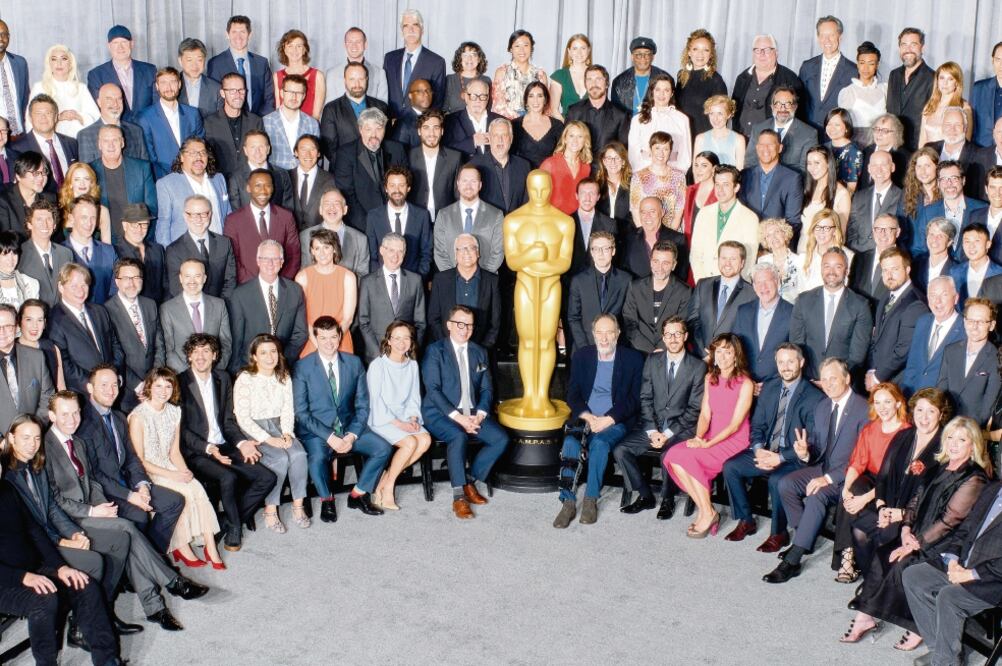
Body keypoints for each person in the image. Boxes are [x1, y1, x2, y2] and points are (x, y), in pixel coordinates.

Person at [45, 390, 207, 629]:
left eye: (76, 412)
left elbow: (93, 482)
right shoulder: (45, 447)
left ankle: (155, 608)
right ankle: (172, 581)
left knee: (126, 536)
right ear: (52, 415)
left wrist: (102, 505)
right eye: (65, 414)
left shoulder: (77, 442)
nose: (72, 419)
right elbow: (54, 499)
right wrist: (92, 512)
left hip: (92, 509)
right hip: (69, 520)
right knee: (127, 527)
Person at [855, 416, 990, 653]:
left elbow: (950, 520)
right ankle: (866, 615)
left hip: (946, 542)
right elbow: (915, 501)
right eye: (950, 437)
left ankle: (917, 625)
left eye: (962, 439)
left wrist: (914, 544)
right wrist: (906, 529)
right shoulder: (939, 466)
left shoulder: (974, 477)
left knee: (904, 564)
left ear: (973, 445)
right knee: (883, 554)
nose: (954, 443)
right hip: (918, 533)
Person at [0, 418, 126, 664]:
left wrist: (61, 567)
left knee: (84, 583)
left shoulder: (6, 490)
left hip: (31, 568)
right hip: (6, 581)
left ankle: (107, 659)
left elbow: (35, 531)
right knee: (44, 600)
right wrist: (24, 577)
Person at [840, 388, 951, 643]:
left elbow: (935, 497)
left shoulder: (944, 446)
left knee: (885, 543)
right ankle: (873, 598)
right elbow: (884, 476)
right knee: (859, 527)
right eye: (920, 410)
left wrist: (900, 514)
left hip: (918, 519)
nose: (924, 417)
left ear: (941, 414)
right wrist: (881, 508)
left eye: (931, 411)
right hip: (889, 509)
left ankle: (873, 610)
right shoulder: (904, 436)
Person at [762, 357, 869, 583]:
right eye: (824, 380)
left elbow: (862, 458)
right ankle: (805, 535)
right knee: (786, 484)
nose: (828, 384)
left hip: (849, 476)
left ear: (847, 378)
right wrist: (804, 452)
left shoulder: (863, 409)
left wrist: (828, 479)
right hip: (823, 466)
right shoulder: (822, 406)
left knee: (816, 496)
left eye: (833, 379)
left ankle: (793, 559)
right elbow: (818, 448)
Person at [721, 343, 823, 550]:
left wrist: (781, 458)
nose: (785, 367)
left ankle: (779, 533)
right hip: (766, 450)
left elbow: (812, 440)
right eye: (781, 362)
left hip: (792, 457)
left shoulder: (815, 397)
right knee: (730, 466)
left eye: (791, 361)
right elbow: (757, 425)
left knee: (777, 480)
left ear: (801, 363)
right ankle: (746, 520)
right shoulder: (770, 387)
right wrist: (758, 449)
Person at [178, 333, 274, 551]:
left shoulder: (223, 378)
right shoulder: (179, 382)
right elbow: (182, 431)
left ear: (215, 355)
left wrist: (242, 443)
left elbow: (229, 421)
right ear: (189, 356)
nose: (200, 356)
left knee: (266, 478)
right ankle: (234, 529)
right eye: (195, 351)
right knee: (228, 477)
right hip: (198, 452)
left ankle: (229, 521)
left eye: (206, 351)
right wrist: (209, 448)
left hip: (225, 445)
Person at [77, 365, 184, 556]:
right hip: (104, 490)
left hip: (128, 481)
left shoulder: (118, 417)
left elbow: (132, 458)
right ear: (90, 388)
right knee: (139, 515)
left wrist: (142, 485)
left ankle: (152, 556)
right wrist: (130, 496)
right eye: (104, 385)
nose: (111, 391)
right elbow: (94, 475)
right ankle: (143, 564)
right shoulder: (83, 424)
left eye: (114, 385)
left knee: (174, 502)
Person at [902, 470, 1002, 665]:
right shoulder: (993, 489)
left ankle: (944, 661)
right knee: (914, 576)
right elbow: (965, 529)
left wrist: (970, 574)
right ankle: (942, 651)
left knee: (949, 597)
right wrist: (953, 559)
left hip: (993, 579)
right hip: (963, 563)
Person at [552, 314, 643, 528]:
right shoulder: (583, 356)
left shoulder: (633, 359)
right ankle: (568, 502)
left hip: (615, 419)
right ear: (593, 335)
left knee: (600, 444)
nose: (604, 338)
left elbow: (635, 399)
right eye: (599, 333)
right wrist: (586, 415)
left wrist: (609, 419)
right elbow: (572, 393)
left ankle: (591, 499)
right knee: (570, 443)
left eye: (609, 332)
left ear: (618, 334)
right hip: (586, 417)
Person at [128, 367, 223, 568]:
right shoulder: (138, 416)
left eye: (168, 386)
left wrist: (184, 471)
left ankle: (210, 546)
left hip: (169, 464)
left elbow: (174, 452)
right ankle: (181, 545)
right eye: (158, 385)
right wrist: (173, 475)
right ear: (149, 387)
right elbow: (140, 460)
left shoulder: (174, 412)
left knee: (196, 486)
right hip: (149, 472)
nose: (163, 391)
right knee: (183, 493)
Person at [421, 306, 509, 519]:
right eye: (460, 324)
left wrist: (480, 413)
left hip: (471, 412)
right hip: (440, 413)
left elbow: (487, 388)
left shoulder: (479, 351)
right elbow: (432, 390)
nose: (465, 329)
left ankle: (469, 478)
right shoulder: (435, 351)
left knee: (500, 439)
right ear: (449, 325)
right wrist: (458, 417)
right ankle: (459, 496)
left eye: (469, 325)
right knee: (458, 435)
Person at [663, 332, 753, 537]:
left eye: (727, 352)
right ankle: (707, 510)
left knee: (691, 459)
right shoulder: (710, 378)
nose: (721, 357)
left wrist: (708, 443)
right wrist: (698, 437)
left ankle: (706, 513)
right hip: (710, 435)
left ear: (736, 355)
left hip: (733, 440)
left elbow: (734, 425)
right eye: (718, 351)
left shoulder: (745, 383)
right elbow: (705, 413)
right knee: (673, 456)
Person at [614, 316, 705, 518]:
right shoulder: (653, 360)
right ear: (663, 338)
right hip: (652, 426)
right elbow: (645, 397)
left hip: (680, 429)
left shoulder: (698, 367)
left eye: (678, 333)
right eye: (668, 334)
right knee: (621, 449)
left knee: (668, 456)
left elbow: (694, 409)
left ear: (686, 336)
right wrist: (653, 430)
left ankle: (668, 498)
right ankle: (645, 496)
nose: (673, 339)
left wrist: (666, 433)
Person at [830, 383, 909, 583]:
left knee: (856, 497)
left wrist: (863, 499)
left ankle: (847, 560)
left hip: (894, 486)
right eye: (878, 402)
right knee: (851, 489)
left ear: (898, 403)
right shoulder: (871, 428)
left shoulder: (907, 432)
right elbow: (856, 463)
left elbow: (894, 477)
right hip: (872, 478)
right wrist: (846, 490)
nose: (882, 407)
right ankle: (849, 555)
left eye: (888, 402)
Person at [233, 334, 309, 533]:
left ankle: (298, 506)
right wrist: (268, 439)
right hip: (254, 430)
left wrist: (286, 433)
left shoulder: (283, 376)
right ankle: (270, 509)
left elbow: (287, 409)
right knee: (279, 459)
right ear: (255, 356)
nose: (270, 357)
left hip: (279, 425)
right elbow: (242, 418)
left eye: (273, 351)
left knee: (299, 455)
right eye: (263, 353)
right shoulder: (245, 378)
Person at [366, 320, 431, 509]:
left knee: (425, 440)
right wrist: (400, 424)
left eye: (406, 338)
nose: (401, 343)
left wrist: (412, 418)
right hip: (382, 418)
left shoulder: (412, 365)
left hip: (404, 416)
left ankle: (384, 480)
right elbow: (376, 402)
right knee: (410, 443)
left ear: (411, 341)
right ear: (388, 341)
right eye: (397, 338)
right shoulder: (378, 365)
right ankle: (389, 489)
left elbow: (413, 397)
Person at [789, 247, 873, 379]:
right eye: (827, 266)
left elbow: (857, 356)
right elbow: (796, 344)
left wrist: (833, 379)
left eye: (838, 267)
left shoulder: (861, 305)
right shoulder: (803, 301)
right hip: (809, 380)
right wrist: (810, 379)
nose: (831, 272)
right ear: (821, 269)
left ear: (847, 270)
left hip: (842, 381)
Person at [227, 240, 307, 373]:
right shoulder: (240, 295)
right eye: (265, 258)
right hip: (251, 367)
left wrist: (279, 359)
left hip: (284, 366)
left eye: (275, 258)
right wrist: (239, 370)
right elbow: (237, 338)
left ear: (282, 262)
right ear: (258, 261)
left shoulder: (295, 291)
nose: (270, 263)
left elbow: (300, 334)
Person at [48, 261, 123, 393]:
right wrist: (95, 385)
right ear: (61, 287)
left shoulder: (99, 311)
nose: (80, 291)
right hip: (82, 393)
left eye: (84, 285)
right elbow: (64, 364)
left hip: (110, 388)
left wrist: (113, 376)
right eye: (74, 286)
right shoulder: (55, 319)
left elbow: (115, 344)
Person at [333, 107, 409, 230]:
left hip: (395, 220)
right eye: (368, 129)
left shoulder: (397, 150)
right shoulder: (345, 154)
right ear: (360, 129)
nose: (374, 135)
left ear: (385, 129)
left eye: (379, 128)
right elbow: (346, 194)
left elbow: (405, 186)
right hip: (360, 224)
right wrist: (369, 225)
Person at [864, 248, 928, 391]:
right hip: (879, 380)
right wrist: (871, 371)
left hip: (899, 384)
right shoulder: (886, 297)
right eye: (885, 270)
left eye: (894, 269)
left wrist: (877, 376)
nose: (889, 275)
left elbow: (904, 350)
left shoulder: (916, 303)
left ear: (908, 269)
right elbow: (876, 339)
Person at [105, 258, 163, 412]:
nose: (132, 283)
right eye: (126, 278)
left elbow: (159, 345)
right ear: (117, 281)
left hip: (154, 388)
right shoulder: (106, 311)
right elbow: (112, 355)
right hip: (126, 392)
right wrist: (139, 386)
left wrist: (154, 380)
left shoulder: (150, 304)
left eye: (136, 278)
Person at [357, 233, 425, 363]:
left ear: (405, 254)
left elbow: (420, 323)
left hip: (406, 357)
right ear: (382, 250)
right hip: (376, 356)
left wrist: (409, 351)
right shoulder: (367, 282)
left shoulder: (415, 281)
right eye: (391, 250)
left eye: (400, 251)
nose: (395, 256)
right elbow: (364, 321)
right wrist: (379, 354)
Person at [224, 169, 301, 283]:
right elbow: (232, 260)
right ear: (248, 188)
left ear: (273, 188)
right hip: (247, 287)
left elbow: (294, 255)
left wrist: (279, 283)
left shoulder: (286, 217)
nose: (263, 191)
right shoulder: (233, 220)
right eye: (258, 186)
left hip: (280, 287)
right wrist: (253, 286)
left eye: (267, 185)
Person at [426, 234, 501, 349]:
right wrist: (448, 346)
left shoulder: (492, 281)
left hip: (481, 350)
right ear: (455, 255)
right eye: (461, 249)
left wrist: (481, 349)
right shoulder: (441, 280)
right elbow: (433, 318)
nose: (466, 252)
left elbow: (495, 322)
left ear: (478, 252)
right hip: (447, 350)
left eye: (471, 248)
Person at [154, 136, 232, 246]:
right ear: (181, 157)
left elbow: (228, 216)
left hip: (219, 249)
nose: (198, 157)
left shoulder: (218, 179)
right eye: (192, 153)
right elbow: (164, 223)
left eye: (202, 152)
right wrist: (168, 255)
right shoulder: (166, 184)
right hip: (186, 253)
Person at [160, 258, 232, 372]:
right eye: (187, 276)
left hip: (213, 374)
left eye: (197, 276)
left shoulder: (219, 305)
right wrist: (189, 376)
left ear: (204, 278)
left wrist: (212, 371)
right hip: (182, 377)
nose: (192, 281)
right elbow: (168, 349)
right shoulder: (167, 309)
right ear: (180, 278)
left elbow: (226, 343)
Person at [938, 297, 1001, 426]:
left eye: (981, 322)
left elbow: (988, 406)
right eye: (970, 320)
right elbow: (941, 391)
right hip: (946, 425)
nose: (974, 326)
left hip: (973, 430)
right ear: (964, 321)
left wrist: (967, 430)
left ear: (991, 325)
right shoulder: (950, 351)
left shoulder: (996, 358)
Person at [689, 164, 758, 281]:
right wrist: (702, 283)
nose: (720, 190)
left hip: (733, 287)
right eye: (717, 185)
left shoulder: (749, 218)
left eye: (726, 185)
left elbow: (749, 261)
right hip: (705, 283)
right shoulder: (703, 213)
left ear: (736, 188)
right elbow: (695, 253)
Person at [90, 126, 157, 244]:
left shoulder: (142, 168)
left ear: (122, 143)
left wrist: (139, 234)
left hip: (136, 241)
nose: (111, 145)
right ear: (99, 144)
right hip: (104, 243)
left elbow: (152, 208)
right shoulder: (89, 172)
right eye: (106, 141)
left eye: (115, 140)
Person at [686, 241, 756, 354]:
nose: (727, 263)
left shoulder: (752, 293)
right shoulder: (703, 285)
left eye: (733, 259)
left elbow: (749, 333)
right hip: (700, 359)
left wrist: (726, 354)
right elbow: (692, 321)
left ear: (742, 263)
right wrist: (703, 352)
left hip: (731, 361)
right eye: (723, 258)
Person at [568, 231, 631, 355]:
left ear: (613, 251)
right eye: (596, 249)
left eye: (606, 249)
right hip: (584, 347)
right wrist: (585, 348)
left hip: (616, 349)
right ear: (591, 252)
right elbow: (573, 317)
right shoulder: (578, 281)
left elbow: (629, 317)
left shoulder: (626, 280)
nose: (601, 254)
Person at [622, 239, 691, 352]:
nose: (659, 268)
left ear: (674, 265)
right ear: (651, 262)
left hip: (668, 352)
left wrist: (662, 349)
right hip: (639, 351)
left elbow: (681, 327)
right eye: (656, 261)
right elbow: (629, 323)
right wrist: (649, 349)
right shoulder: (635, 287)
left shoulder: (684, 291)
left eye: (666, 263)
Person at [135, 67, 204, 179]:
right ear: (157, 86)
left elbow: (200, 147)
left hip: (193, 177)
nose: (168, 87)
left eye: (173, 82)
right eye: (163, 83)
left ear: (180, 84)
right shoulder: (145, 118)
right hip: (162, 180)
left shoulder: (193, 114)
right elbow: (149, 157)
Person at [165, 194, 237, 299]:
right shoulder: (174, 250)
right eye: (193, 214)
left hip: (222, 306)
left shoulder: (224, 243)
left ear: (210, 214)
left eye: (203, 214)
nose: (198, 219)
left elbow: (230, 280)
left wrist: (219, 306)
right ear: (185, 216)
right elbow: (176, 288)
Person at [433, 164, 504, 272]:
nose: (468, 186)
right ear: (458, 184)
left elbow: (498, 252)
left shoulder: (496, 215)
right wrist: (452, 278)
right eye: (464, 181)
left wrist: (482, 278)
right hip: (452, 281)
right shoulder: (443, 215)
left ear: (480, 185)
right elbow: (439, 252)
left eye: (473, 181)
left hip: (485, 280)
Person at [901, 276, 964, 396]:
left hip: (943, 403)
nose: (938, 301)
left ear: (956, 298)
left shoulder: (965, 328)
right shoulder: (923, 322)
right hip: (916, 399)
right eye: (933, 295)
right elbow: (912, 365)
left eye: (944, 295)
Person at [731, 35, 805, 137]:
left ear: (776, 53)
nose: (762, 54)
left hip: (770, 145)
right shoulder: (742, 78)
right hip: (741, 141)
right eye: (757, 50)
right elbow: (734, 110)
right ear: (753, 53)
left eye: (767, 50)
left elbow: (798, 117)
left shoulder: (790, 79)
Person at [365, 166, 432, 278]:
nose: (397, 190)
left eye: (401, 185)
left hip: (413, 282)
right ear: (386, 188)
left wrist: (418, 279)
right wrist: (380, 280)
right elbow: (372, 255)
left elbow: (426, 253)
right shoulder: (373, 217)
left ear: (408, 188)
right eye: (392, 185)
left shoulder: (422, 216)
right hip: (382, 282)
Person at [911, 160, 988, 258]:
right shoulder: (928, 212)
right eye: (944, 179)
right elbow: (918, 249)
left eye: (954, 178)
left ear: (963, 180)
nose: (949, 184)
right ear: (938, 183)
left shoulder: (983, 208)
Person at [296, 230, 355, 356]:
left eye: (326, 247)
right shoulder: (302, 277)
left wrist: (332, 343)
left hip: (340, 339)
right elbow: (301, 318)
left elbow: (348, 319)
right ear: (312, 251)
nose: (322, 253)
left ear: (334, 249)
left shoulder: (348, 277)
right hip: (311, 340)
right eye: (317, 248)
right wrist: (319, 344)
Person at [733, 263, 793, 385]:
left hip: (778, 386)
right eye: (758, 282)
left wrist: (771, 385)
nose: (763, 287)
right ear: (753, 286)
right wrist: (747, 382)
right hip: (745, 385)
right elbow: (736, 348)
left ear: (777, 282)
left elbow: (795, 355)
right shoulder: (743, 311)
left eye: (767, 281)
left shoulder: (793, 312)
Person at [319, 62, 390, 162]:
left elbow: (387, 142)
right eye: (352, 79)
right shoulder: (331, 109)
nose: (357, 84)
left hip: (376, 170)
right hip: (344, 171)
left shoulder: (381, 107)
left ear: (367, 79)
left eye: (361, 79)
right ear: (345, 81)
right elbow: (329, 148)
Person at [797, 16, 858, 132]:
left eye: (831, 35)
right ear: (818, 37)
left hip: (836, 135)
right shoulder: (807, 66)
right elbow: (799, 101)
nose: (827, 40)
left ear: (840, 37)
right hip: (807, 133)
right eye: (823, 35)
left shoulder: (853, 71)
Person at [206, 15, 275, 115]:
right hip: (228, 124)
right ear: (227, 34)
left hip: (258, 123)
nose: (238, 37)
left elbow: (269, 98)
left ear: (249, 35)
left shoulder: (262, 63)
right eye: (234, 32)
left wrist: (259, 122)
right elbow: (216, 99)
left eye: (242, 32)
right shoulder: (215, 63)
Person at [383, 8, 447, 115]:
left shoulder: (436, 62)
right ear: (401, 32)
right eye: (406, 26)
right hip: (392, 125)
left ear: (422, 30)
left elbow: (437, 102)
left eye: (415, 25)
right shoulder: (390, 58)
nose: (410, 30)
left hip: (419, 126)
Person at [27, 45, 99, 138]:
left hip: (78, 140)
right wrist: (59, 117)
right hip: (50, 141)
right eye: (54, 59)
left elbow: (95, 118)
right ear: (49, 64)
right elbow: (30, 119)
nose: (59, 63)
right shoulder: (39, 87)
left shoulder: (81, 88)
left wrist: (78, 115)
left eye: (64, 59)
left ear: (71, 64)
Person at [0, 302, 51, 434]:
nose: (2, 332)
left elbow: (47, 397)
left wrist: (34, 430)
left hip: (34, 440)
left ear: (16, 327)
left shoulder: (37, 357)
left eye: (8, 326)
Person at [85, 25, 157, 119]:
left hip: (146, 130)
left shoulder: (149, 70)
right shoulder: (97, 75)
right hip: (116, 130)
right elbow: (97, 109)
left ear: (132, 44)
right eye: (115, 43)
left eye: (124, 42)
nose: (120, 47)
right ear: (109, 46)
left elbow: (157, 104)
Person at [739, 129, 803, 233]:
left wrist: (775, 240)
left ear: (780, 148)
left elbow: (793, 220)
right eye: (762, 144)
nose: (765, 149)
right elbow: (740, 213)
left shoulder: (792, 178)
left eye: (770, 144)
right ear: (757, 147)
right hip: (749, 238)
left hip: (778, 241)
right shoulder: (745, 175)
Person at [11, 94, 79, 192]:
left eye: (48, 113)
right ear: (30, 118)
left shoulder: (71, 143)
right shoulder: (17, 148)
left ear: (55, 117)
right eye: (38, 113)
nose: (43, 117)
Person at [202, 72, 264, 179]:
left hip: (250, 183)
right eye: (232, 91)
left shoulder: (256, 121)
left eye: (241, 90)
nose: (238, 95)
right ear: (222, 93)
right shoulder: (209, 123)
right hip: (221, 183)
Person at [628, 73, 691, 173]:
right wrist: (643, 174)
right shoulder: (638, 119)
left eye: (666, 90)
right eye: (658, 90)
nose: (661, 94)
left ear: (672, 93)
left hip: (672, 174)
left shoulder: (682, 119)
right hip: (644, 171)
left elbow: (685, 154)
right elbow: (633, 152)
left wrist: (675, 175)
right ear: (652, 92)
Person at [744, 86, 814, 174]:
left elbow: (805, 170)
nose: (782, 108)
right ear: (772, 107)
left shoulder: (809, 134)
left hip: (790, 185)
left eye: (788, 104)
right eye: (778, 104)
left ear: (795, 107)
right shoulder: (758, 129)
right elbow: (750, 162)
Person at [298, 188, 368, 276]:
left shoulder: (361, 239)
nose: (332, 207)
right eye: (327, 204)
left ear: (345, 210)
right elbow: (304, 271)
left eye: (336, 203)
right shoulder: (305, 236)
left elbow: (363, 275)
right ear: (320, 210)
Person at [886, 28, 935, 151]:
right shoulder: (894, 75)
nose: (908, 50)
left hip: (917, 148)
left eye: (913, 45)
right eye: (904, 45)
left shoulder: (933, 78)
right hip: (893, 147)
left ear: (922, 47)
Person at [61, 195, 117, 304]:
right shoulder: (59, 253)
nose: (89, 223)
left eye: (93, 218)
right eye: (84, 217)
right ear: (71, 219)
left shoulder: (109, 252)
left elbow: (116, 291)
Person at [470, 117, 532, 214]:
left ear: (511, 139)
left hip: (516, 226)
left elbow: (528, 203)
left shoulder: (524, 166)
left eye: (504, 135)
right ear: (489, 139)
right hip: (486, 227)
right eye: (495, 135)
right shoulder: (474, 166)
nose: (500, 140)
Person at [407, 109, 461, 221]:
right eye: (426, 128)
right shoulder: (409, 157)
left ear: (442, 131)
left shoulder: (455, 157)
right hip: (415, 219)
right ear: (419, 131)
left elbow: (458, 193)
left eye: (436, 128)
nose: (431, 133)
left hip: (446, 220)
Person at [565, 65, 629, 156]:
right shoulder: (573, 111)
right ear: (585, 84)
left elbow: (622, 151)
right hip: (578, 168)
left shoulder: (621, 115)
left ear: (607, 83)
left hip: (606, 169)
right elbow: (565, 145)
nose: (594, 84)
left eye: (598, 79)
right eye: (589, 79)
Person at [674, 30, 728, 139]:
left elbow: (721, 118)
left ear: (711, 54)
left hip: (703, 138)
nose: (700, 54)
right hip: (681, 136)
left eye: (706, 50)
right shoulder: (681, 75)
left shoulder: (716, 80)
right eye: (695, 49)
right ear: (689, 52)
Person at [846, 151, 902, 254]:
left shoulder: (903, 197)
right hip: (861, 256)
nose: (879, 170)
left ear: (892, 167)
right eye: (874, 165)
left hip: (891, 256)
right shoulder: (859, 196)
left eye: (884, 165)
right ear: (868, 169)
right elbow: (851, 230)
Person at [77, 83, 148, 164]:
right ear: (99, 102)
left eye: (119, 99)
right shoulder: (86, 135)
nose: (115, 104)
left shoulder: (136, 131)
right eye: (109, 99)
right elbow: (87, 173)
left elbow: (145, 167)